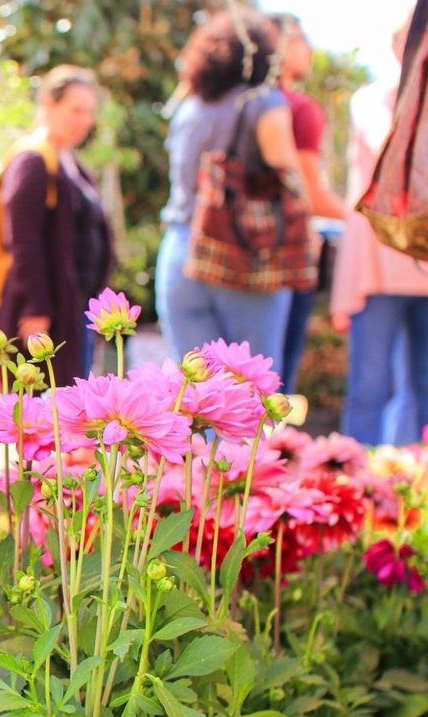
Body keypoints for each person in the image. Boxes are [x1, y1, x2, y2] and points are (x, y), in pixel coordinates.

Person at [154, 9, 304, 374]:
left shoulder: (188, 106)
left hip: (179, 252)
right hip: (242, 258)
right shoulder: (264, 103)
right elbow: (292, 183)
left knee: (193, 397)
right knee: (252, 390)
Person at [330, 14, 428, 445]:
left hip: (421, 269)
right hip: (377, 271)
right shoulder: (373, 99)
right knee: (370, 386)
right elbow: (385, 144)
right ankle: (360, 487)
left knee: (422, 390)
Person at [0, 65, 112, 388]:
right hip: (46, 313)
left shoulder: (70, 161)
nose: (84, 120)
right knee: (46, 408)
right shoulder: (33, 161)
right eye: (75, 110)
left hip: (75, 306)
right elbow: (23, 240)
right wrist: (36, 307)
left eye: (89, 112)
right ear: (49, 104)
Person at [270, 13, 348, 393]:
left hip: (220, 258)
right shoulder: (297, 108)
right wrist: (363, 220)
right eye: (301, 39)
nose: (310, 49)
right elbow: (309, 194)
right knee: (274, 383)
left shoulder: (227, 100)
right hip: (284, 258)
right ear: (278, 45)